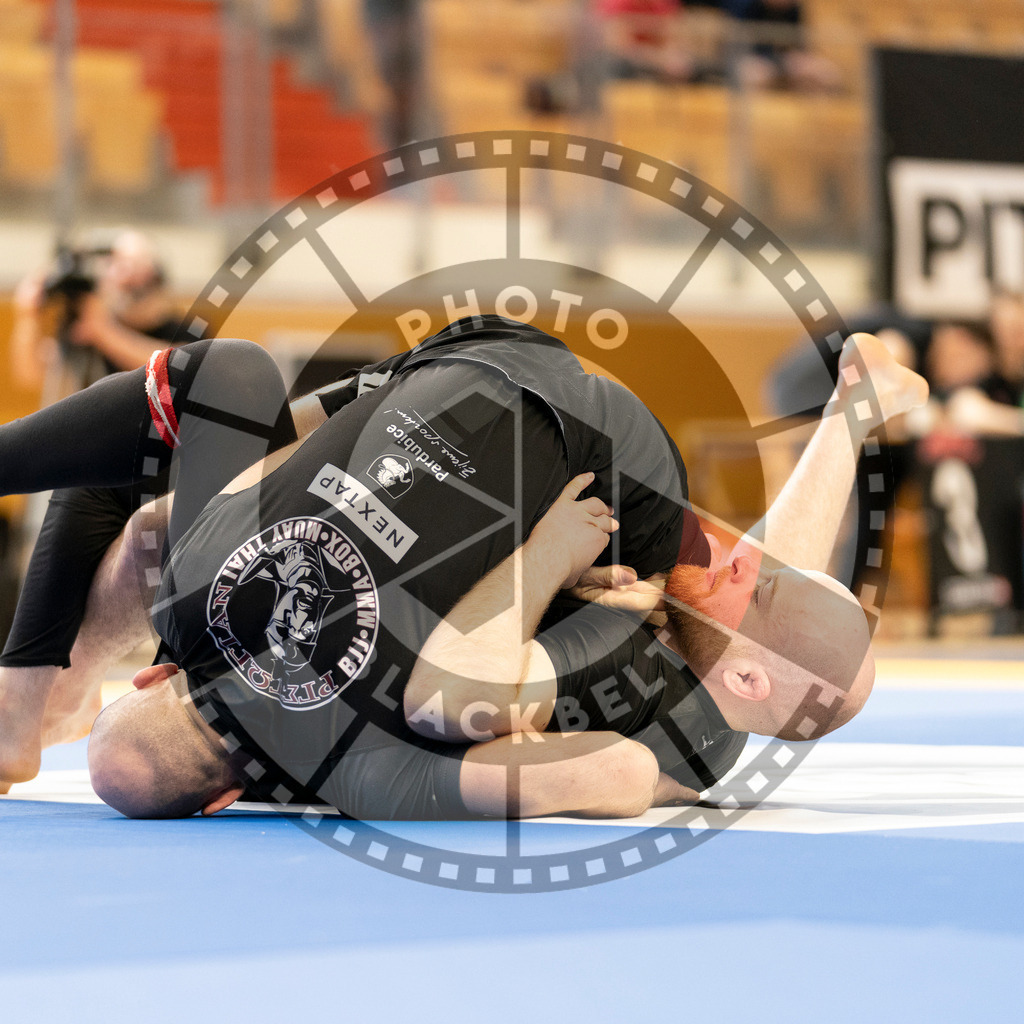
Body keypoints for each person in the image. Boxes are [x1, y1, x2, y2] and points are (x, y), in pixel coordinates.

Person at [1, 317, 928, 816]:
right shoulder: (698, 630)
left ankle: (38, 695)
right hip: (317, 613)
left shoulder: (671, 716)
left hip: (324, 655)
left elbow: (448, 702)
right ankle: (49, 697)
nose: (743, 556)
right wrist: (849, 419)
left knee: (186, 464)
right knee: (167, 512)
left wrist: (545, 560)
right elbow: (784, 613)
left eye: (750, 580)